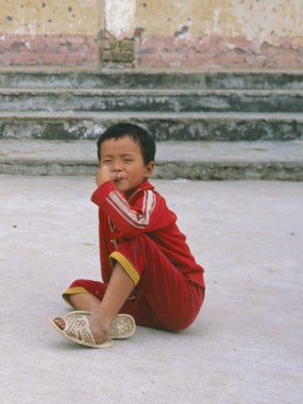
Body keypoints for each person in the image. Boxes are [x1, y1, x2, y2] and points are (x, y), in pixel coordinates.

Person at [51, 122, 205, 348]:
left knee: (137, 242)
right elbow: (110, 254)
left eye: (127, 160)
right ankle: (109, 319)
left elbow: (133, 226)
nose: (116, 167)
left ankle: (99, 326)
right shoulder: (110, 205)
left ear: (148, 169)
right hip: (144, 301)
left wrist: (105, 190)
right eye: (107, 161)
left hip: (180, 300)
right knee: (78, 289)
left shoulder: (150, 200)